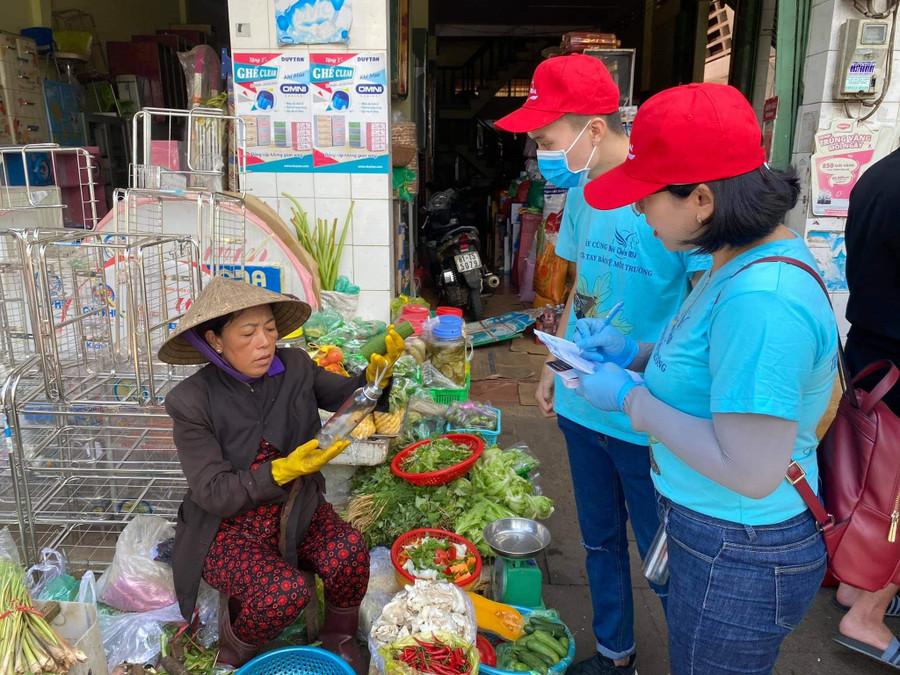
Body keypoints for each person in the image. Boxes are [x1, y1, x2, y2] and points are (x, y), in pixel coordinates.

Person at [573, 82, 837, 674]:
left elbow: (750, 470)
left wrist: (628, 400)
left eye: (646, 199)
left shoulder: (764, 300)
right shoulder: (732, 261)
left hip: (741, 549)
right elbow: (707, 369)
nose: (638, 212)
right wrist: (631, 351)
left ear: (701, 200)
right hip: (708, 527)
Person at [494, 54, 709, 675]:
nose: (540, 152)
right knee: (598, 542)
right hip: (584, 401)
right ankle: (616, 654)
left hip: (649, 416)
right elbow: (580, 287)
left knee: (664, 557)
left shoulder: (670, 197)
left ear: (593, 128)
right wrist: (550, 367)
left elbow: (700, 312)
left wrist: (652, 378)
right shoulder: (582, 193)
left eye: (546, 137)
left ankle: (695, 661)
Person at [158, 277, 404, 673]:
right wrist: (283, 469)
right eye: (248, 332)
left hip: (297, 510)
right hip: (226, 527)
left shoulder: (294, 367)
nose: (264, 342)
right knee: (280, 593)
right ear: (215, 340)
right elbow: (213, 492)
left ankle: (338, 639)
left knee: (349, 552)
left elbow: (349, 402)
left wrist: (375, 382)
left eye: (270, 329)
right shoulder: (190, 401)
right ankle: (234, 652)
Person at [832, 146, 900, 668]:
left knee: (866, 485)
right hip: (898, 368)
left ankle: (856, 585)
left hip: (869, 359)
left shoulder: (877, 176)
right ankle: (866, 613)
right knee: (890, 502)